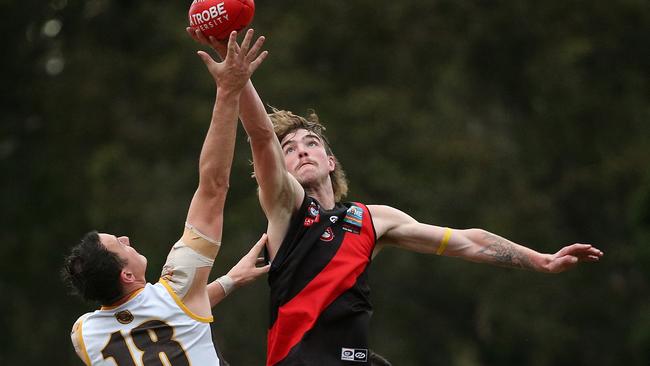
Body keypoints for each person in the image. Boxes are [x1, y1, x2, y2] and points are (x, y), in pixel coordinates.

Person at [188, 31, 605, 366]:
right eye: (290, 148)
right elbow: (261, 137)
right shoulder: (286, 206)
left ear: (330, 161)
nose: (300, 150)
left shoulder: (374, 219)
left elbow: (466, 240)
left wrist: (541, 260)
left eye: (310, 143)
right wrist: (237, 79)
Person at [61, 30, 269, 366]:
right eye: (120, 244)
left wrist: (231, 280)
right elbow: (213, 186)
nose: (127, 238)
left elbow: (168, 319)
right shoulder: (179, 288)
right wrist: (228, 90)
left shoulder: (84, 335)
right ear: (126, 275)